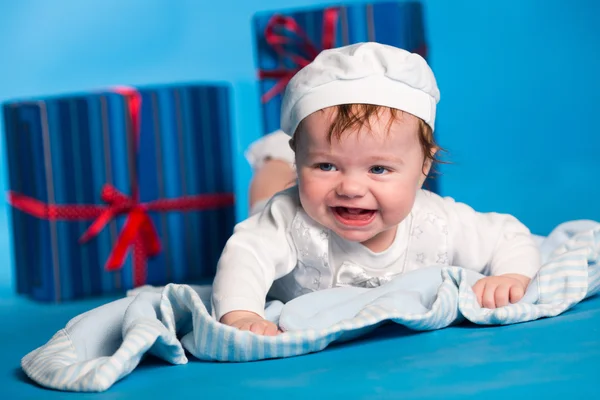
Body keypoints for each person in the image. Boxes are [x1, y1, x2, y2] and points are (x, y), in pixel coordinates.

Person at [212, 42, 541, 336]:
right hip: (276, 198)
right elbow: (246, 254)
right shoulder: (287, 218)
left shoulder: (437, 221)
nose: (352, 188)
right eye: (326, 166)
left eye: (378, 169)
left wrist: (511, 276)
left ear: (423, 167)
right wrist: (241, 314)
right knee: (268, 190)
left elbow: (507, 236)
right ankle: (275, 157)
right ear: (301, 161)